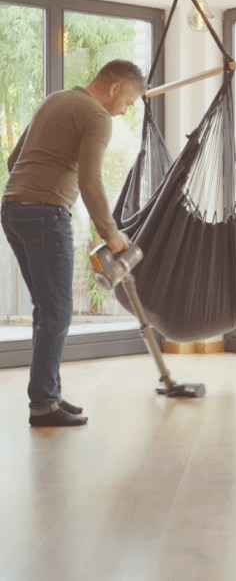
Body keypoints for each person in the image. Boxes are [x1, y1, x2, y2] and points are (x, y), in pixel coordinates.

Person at [1, 59, 148, 427]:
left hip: (13, 210)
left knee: (47, 309)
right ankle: (44, 406)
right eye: (128, 101)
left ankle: (46, 396)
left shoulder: (54, 100)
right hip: (46, 214)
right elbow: (90, 180)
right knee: (57, 310)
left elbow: (13, 160)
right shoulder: (97, 116)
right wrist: (111, 233)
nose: (125, 110)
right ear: (114, 88)